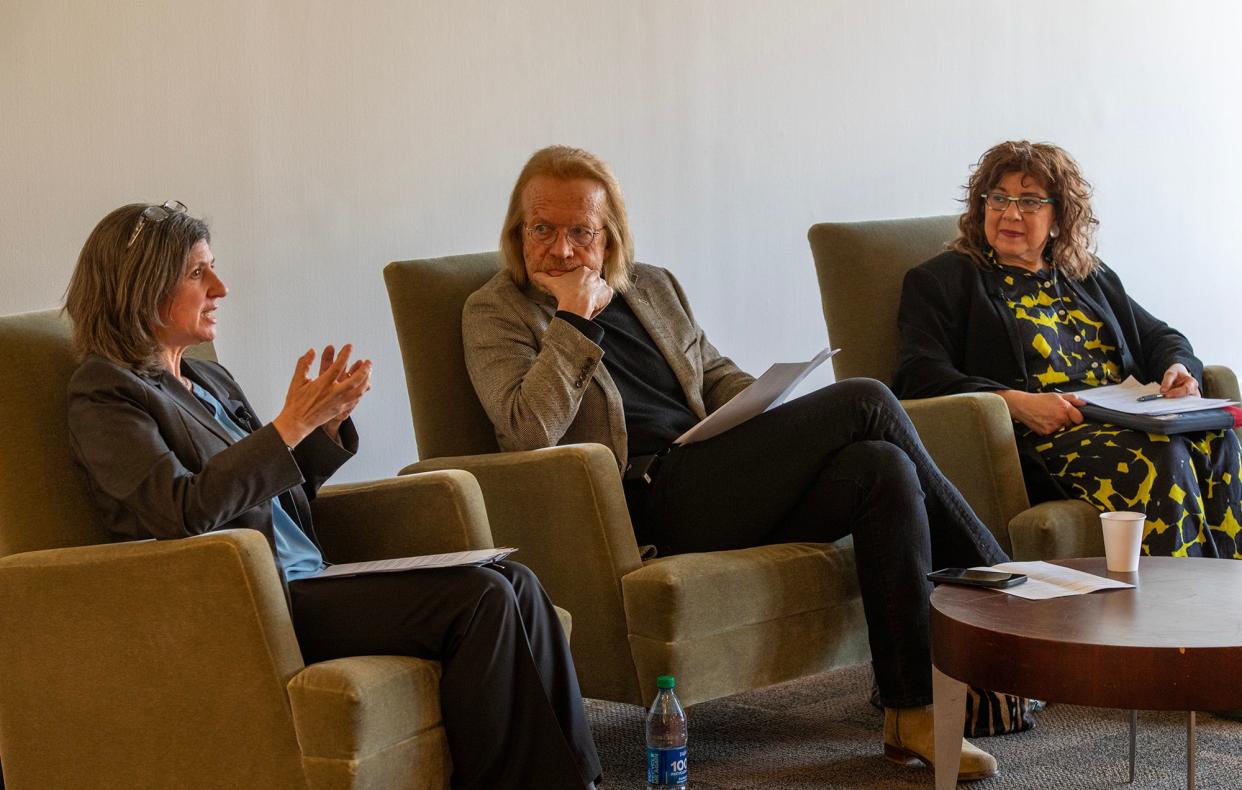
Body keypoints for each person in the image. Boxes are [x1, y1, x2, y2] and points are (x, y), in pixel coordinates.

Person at [462, 145, 1010, 780]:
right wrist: (572, 321)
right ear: (516, 231)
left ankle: (911, 711)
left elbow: (714, 375)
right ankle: (1006, 588)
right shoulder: (494, 310)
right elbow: (525, 433)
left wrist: (764, 406)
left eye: (580, 231)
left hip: (714, 475)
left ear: (609, 235)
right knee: (868, 399)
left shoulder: (651, 285)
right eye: (543, 230)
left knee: (880, 464)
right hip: (646, 500)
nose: (561, 249)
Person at [63, 201, 601, 790]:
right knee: (481, 600)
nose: (220, 287)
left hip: (308, 576)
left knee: (516, 582)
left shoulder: (206, 378)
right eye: (198, 273)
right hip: (248, 600)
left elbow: (271, 495)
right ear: (140, 286)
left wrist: (317, 434)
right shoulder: (105, 390)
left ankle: (581, 780)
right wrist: (286, 428)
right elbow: (176, 510)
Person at [894, 140, 1242, 559]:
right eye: (999, 198)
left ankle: (1224, 605)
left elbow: (1159, 337)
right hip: (1042, 436)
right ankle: (1171, 613)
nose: (1010, 213)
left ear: (1059, 215)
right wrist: (1016, 403)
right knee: (1161, 456)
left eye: (1029, 202)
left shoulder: (1084, 274)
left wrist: (1177, 367)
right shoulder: (943, 281)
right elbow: (918, 373)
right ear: (980, 205)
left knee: (1220, 440)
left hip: (1124, 417)